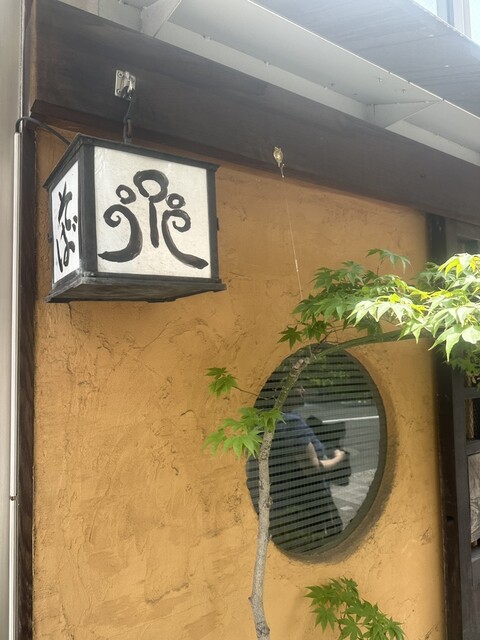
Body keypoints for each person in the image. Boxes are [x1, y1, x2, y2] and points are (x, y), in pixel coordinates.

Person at [246, 387, 346, 554]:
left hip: (279, 501)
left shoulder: (264, 420)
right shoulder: (291, 423)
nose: (303, 390)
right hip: (308, 503)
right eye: (298, 386)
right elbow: (312, 469)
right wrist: (339, 458)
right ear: (283, 391)